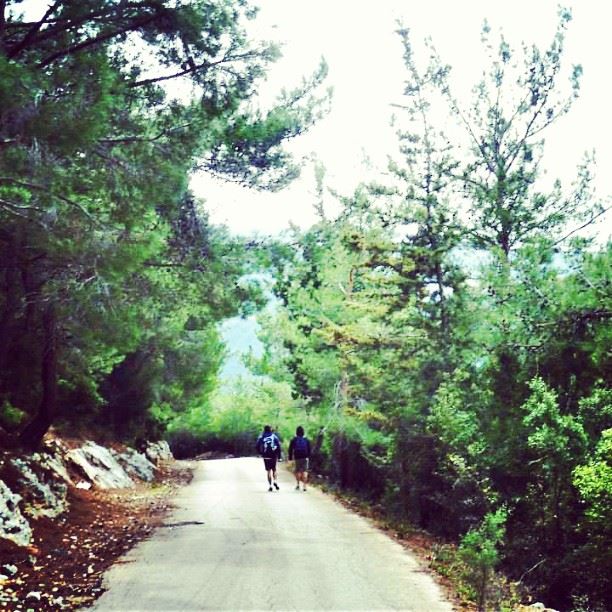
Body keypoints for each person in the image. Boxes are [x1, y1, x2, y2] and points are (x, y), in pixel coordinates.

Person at [256, 425, 282, 491]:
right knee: (274, 469)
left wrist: (260, 453)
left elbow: (257, 445)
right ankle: (275, 481)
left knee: (268, 471)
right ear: (270, 429)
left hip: (266, 456)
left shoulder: (261, 437)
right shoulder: (274, 436)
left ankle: (270, 486)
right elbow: (278, 446)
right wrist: (279, 456)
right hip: (273, 455)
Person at [288, 425, 311, 491]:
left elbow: (290, 449)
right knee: (305, 471)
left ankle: (298, 485)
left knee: (298, 471)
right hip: (305, 457)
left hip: (297, 457)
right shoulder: (306, 440)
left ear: (296, 432)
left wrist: (290, 458)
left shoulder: (294, 440)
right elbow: (309, 449)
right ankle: (304, 486)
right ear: (303, 432)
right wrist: (308, 456)